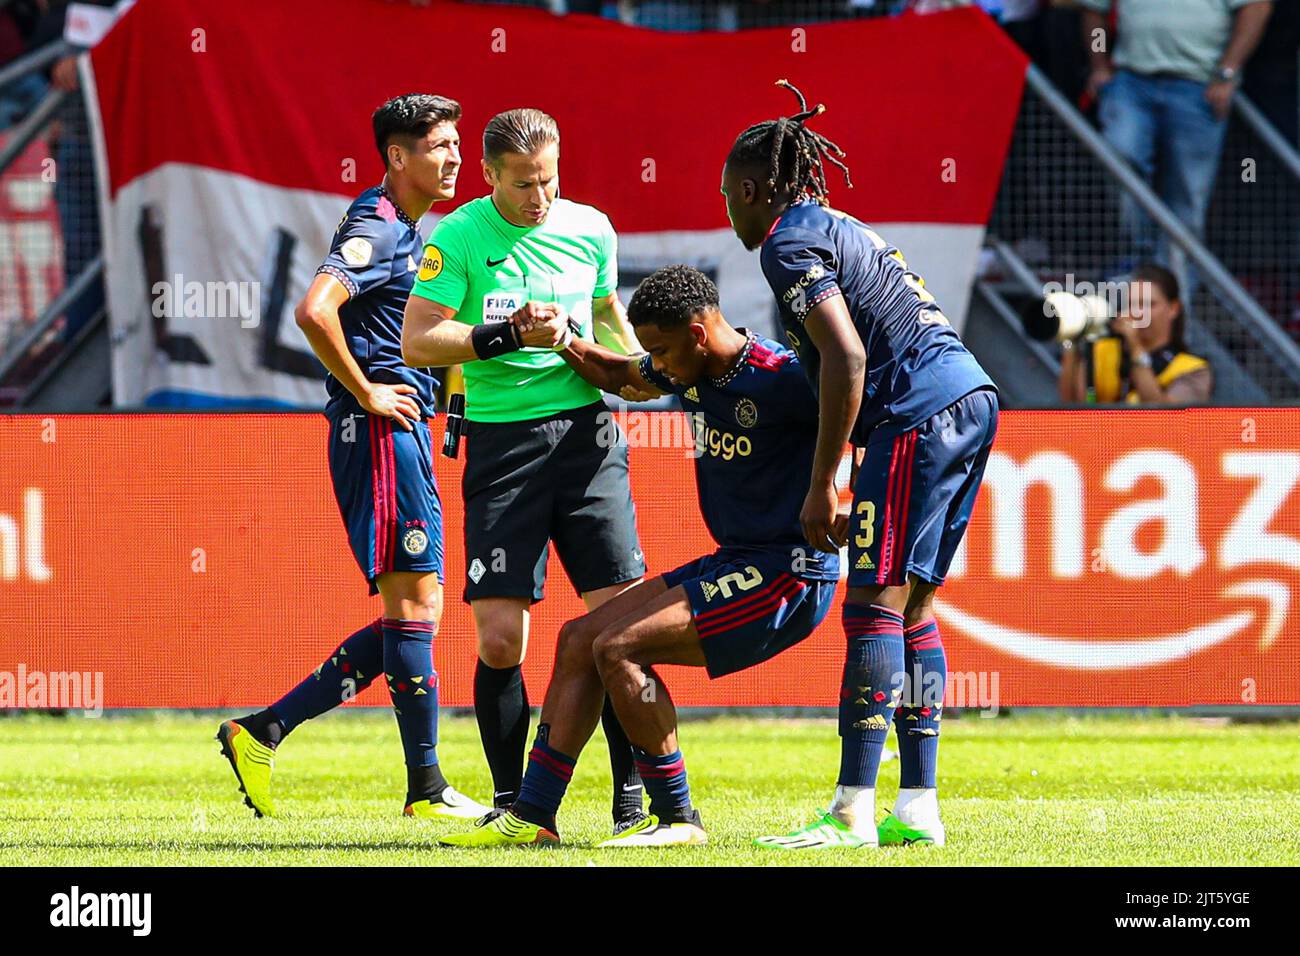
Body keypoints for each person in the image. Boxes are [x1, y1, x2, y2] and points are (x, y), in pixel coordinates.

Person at [437, 265, 840, 847]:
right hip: (735, 561)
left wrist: (842, 498)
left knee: (618, 646)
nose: (657, 366)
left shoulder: (783, 378)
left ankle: (677, 819)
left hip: (788, 575)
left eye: (662, 352)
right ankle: (532, 817)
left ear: (698, 336)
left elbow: (860, 410)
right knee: (579, 639)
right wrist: (565, 335)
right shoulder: (694, 369)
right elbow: (616, 372)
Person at [720, 81, 999, 849]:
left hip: (919, 412)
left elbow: (846, 354)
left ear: (750, 189)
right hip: (969, 398)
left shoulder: (785, 241)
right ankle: (916, 807)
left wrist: (821, 485)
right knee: (914, 608)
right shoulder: (837, 223)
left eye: (727, 198)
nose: (729, 213)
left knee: (871, 603)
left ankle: (850, 810)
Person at [216, 94, 488, 821]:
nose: (455, 156)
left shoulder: (408, 228)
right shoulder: (378, 225)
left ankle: (264, 731)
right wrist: (367, 390)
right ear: (398, 157)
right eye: (439, 145)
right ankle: (425, 790)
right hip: (378, 431)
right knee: (415, 605)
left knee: (417, 610)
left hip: (400, 427)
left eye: (457, 142)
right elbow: (314, 308)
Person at [401, 108, 649, 834]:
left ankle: (632, 800)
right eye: (520, 186)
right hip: (504, 445)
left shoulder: (591, 228)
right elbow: (420, 339)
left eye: (548, 180)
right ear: (488, 176)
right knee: (501, 639)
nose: (537, 198)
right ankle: (518, 807)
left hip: (586, 438)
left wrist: (636, 366)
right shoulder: (459, 237)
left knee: (622, 628)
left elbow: (607, 315)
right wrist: (505, 333)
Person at [1080, 0, 1273, 292]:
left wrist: (1228, 71)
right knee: (1121, 159)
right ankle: (1138, 262)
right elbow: (1093, 8)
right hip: (1130, 81)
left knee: (1188, 194)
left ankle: (1176, 295)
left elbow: (1257, 7)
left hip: (1198, 85)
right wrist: (1099, 64)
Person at [1058, 264, 1213, 404]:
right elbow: (1072, 402)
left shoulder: (1194, 369)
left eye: (1148, 305)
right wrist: (1072, 342)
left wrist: (1136, 348)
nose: (1138, 313)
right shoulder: (1103, 350)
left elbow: (1164, 417)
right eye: (1132, 304)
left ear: (1173, 309)